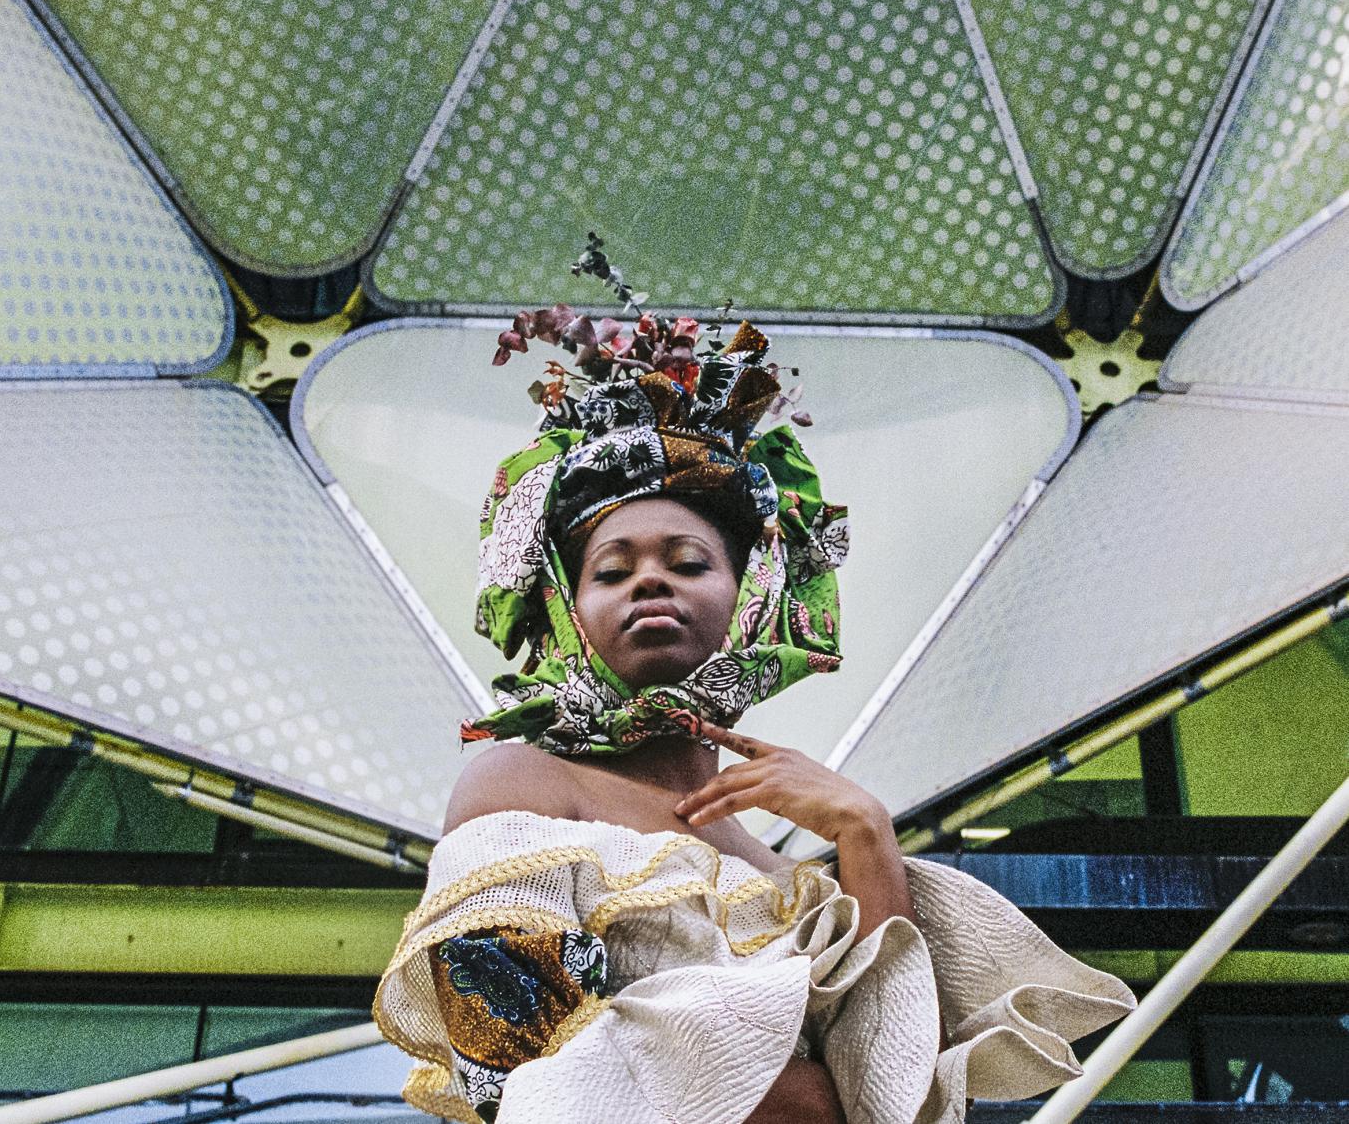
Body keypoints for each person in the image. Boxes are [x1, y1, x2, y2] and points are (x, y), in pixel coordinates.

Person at [374, 313, 1135, 1124]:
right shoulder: (524, 781)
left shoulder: (787, 875)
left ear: (755, 601)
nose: (649, 582)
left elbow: (903, 1099)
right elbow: (510, 1058)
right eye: (612, 569)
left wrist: (866, 834)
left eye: (689, 562)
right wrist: (796, 1094)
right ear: (569, 611)